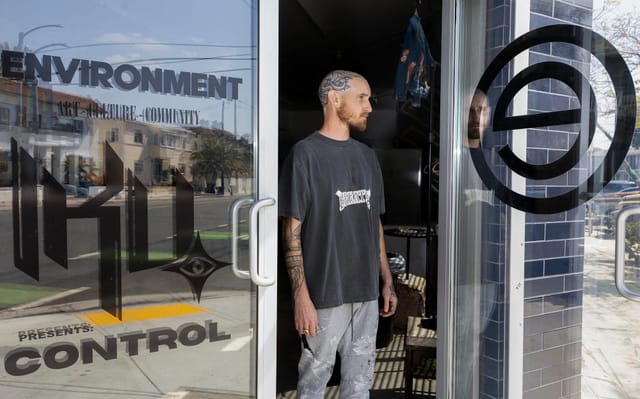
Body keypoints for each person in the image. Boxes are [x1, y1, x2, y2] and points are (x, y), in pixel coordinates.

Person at [279, 70, 397, 398]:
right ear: (334, 99)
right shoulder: (304, 154)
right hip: (325, 294)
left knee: (360, 381)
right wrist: (301, 297)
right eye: (362, 98)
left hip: (365, 292)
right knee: (314, 382)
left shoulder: (367, 157)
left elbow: (373, 222)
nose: (369, 107)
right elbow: (291, 233)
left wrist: (386, 280)